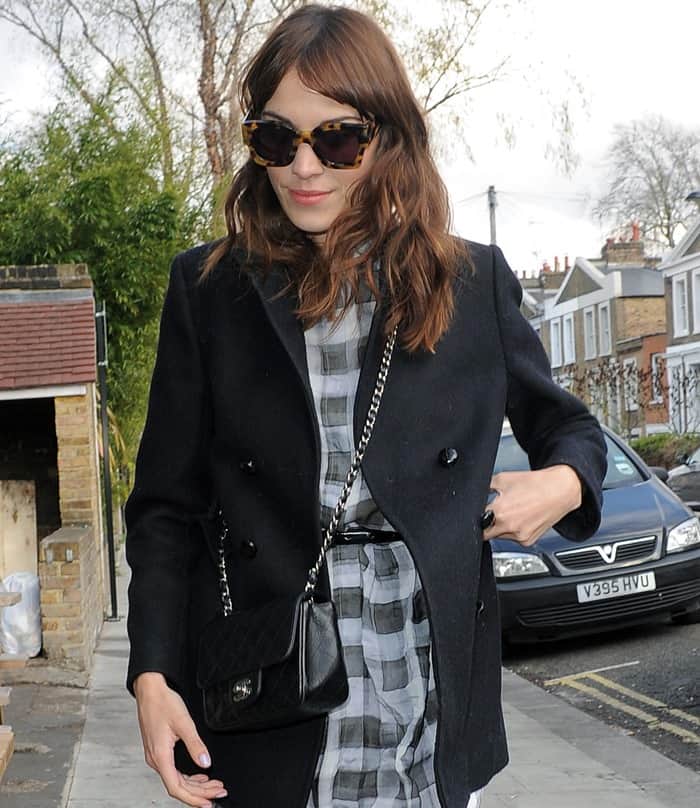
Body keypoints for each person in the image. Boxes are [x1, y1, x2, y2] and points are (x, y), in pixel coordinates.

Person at [124, 5, 607, 808]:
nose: (303, 168)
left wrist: (561, 484)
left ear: (386, 139)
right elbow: (165, 507)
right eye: (276, 139)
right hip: (274, 685)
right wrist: (151, 671)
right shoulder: (211, 291)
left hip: (425, 679)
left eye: (337, 139)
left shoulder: (470, 283)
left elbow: (571, 428)